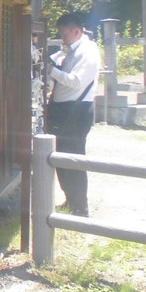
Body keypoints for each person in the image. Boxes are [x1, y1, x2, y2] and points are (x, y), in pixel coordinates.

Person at [45, 13, 101, 216]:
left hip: (76, 111)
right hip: (65, 109)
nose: (62, 37)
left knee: (74, 159)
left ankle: (80, 206)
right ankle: (71, 200)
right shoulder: (73, 49)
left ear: (76, 31)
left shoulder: (88, 51)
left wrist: (51, 70)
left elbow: (76, 81)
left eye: (64, 33)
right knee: (61, 157)